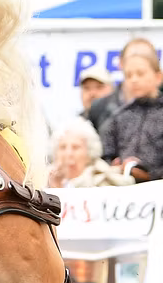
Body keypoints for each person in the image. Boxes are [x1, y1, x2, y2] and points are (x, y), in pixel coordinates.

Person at [99, 52, 163, 182]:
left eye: (140, 74)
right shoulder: (119, 117)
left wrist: (150, 175)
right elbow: (105, 155)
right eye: (128, 75)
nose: (134, 80)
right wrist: (114, 166)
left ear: (158, 77)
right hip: (124, 191)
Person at [47, 118, 132, 188]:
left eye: (76, 147)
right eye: (62, 147)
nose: (68, 153)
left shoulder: (104, 180)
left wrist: (57, 190)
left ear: (89, 152)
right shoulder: (41, 178)